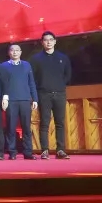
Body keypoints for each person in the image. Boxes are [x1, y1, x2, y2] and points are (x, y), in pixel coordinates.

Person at [30, 31, 72, 159]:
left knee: (60, 123)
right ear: (42, 42)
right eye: (45, 40)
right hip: (44, 94)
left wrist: (60, 85)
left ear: (55, 41)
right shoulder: (36, 59)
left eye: (50, 40)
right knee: (44, 123)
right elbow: (32, 78)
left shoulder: (63, 58)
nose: (48, 42)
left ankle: (60, 150)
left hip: (59, 94)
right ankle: (44, 150)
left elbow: (68, 74)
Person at [3, 43, 38, 160]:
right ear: (9, 52)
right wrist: (4, 98)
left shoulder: (26, 65)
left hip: (25, 100)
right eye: (12, 50)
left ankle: (28, 152)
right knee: (11, 127)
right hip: (11, 101)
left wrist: (35, 99)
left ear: (21, 52)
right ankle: (12, 152)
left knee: (26, 127)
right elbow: (2, 84)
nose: (15, 52)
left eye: (17, 50)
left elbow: (31, 82)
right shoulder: (3, 66)